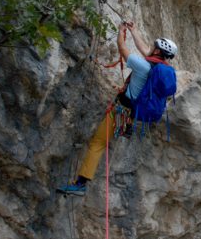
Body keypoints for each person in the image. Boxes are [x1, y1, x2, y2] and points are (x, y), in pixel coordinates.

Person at [58, 22, 178, 196]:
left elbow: (122, 49)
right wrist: (134, 31)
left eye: (154, 46)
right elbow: (145, 49)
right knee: (106, 135)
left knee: (97, 143)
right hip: (133, 112)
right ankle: (126, 128)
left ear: (158, 51)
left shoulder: (142, 65)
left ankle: (80, 184)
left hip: (121, 110)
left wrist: (120, 33)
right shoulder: (160, 68)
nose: (150, 47)